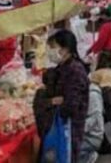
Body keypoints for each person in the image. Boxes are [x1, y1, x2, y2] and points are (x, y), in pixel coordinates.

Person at [45, 30, 91, 158]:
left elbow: (71, 105)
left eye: (53, 47)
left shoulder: (74, 69)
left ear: (65, 49)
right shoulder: (63, 66)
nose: (50, 51)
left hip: (70, 128)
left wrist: (55, 103)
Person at [79, 75, 105, 163]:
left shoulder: (92, 95)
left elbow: (94, 119)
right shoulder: (83, 93)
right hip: (85, 133)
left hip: (92, 136)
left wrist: (77, 129)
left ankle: (88, 156)